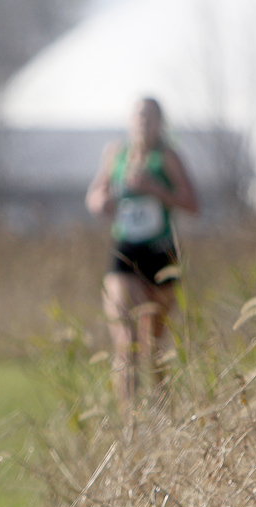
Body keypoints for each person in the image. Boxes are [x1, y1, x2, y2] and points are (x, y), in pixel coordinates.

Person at [86, 96, 199, 410]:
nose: (143, 123)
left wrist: (155, 190)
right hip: (125, 251)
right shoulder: (116, 154)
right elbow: (95, 197)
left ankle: (163, 414)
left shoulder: (167, 158)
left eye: (150, 118)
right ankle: (129, 424)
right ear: (129, 120)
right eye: (138, 116)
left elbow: (193, 203)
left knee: (153, 347)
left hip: (160, 253)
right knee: (126, 342)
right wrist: (103, 202)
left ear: (160, 123)